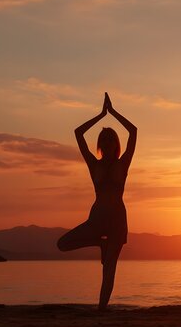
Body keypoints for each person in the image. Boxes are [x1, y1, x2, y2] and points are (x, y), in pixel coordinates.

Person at [57, 92, 137, 311]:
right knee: (62, 244)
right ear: (100, 143)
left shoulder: (124, 163)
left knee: (109, 269)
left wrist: (114, 113)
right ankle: (99, 243)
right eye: (105, 139)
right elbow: (78, 133)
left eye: (112, 139)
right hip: (97, 218)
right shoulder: (94, 164)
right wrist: (101, 115)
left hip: (117, 220)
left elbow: (134, 131)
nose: (108, 142)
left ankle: (101, 309)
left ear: (116, 143)